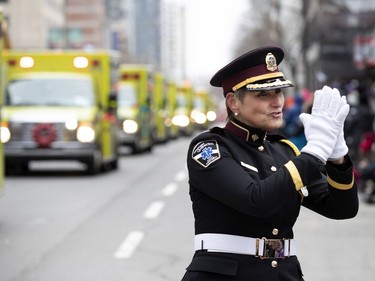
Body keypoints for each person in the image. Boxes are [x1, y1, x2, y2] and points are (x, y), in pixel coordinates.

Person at [181, 46, 359, 281]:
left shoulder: (284, 151)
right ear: (233, 102)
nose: (277, 102)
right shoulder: (208, 149)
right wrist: (314, 152)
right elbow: (256, 200)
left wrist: (337, 157)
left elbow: (342, 209)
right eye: (263, 94)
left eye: (279, 92)